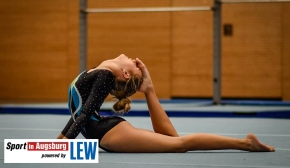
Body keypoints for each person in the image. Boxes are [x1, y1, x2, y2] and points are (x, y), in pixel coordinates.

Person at [57, 54, 275, 153]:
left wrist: (60, 145)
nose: (135, 61)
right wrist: (60, 142)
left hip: (107, 132)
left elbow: (84, 114)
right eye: (136, 65)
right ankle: (149, 89)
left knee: (178, 145)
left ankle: (245, 144)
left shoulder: (104, 75)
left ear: (124, 73)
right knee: (174, 142)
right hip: (103, 131)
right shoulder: (99, 74)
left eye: (135, 67)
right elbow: (81, 114)